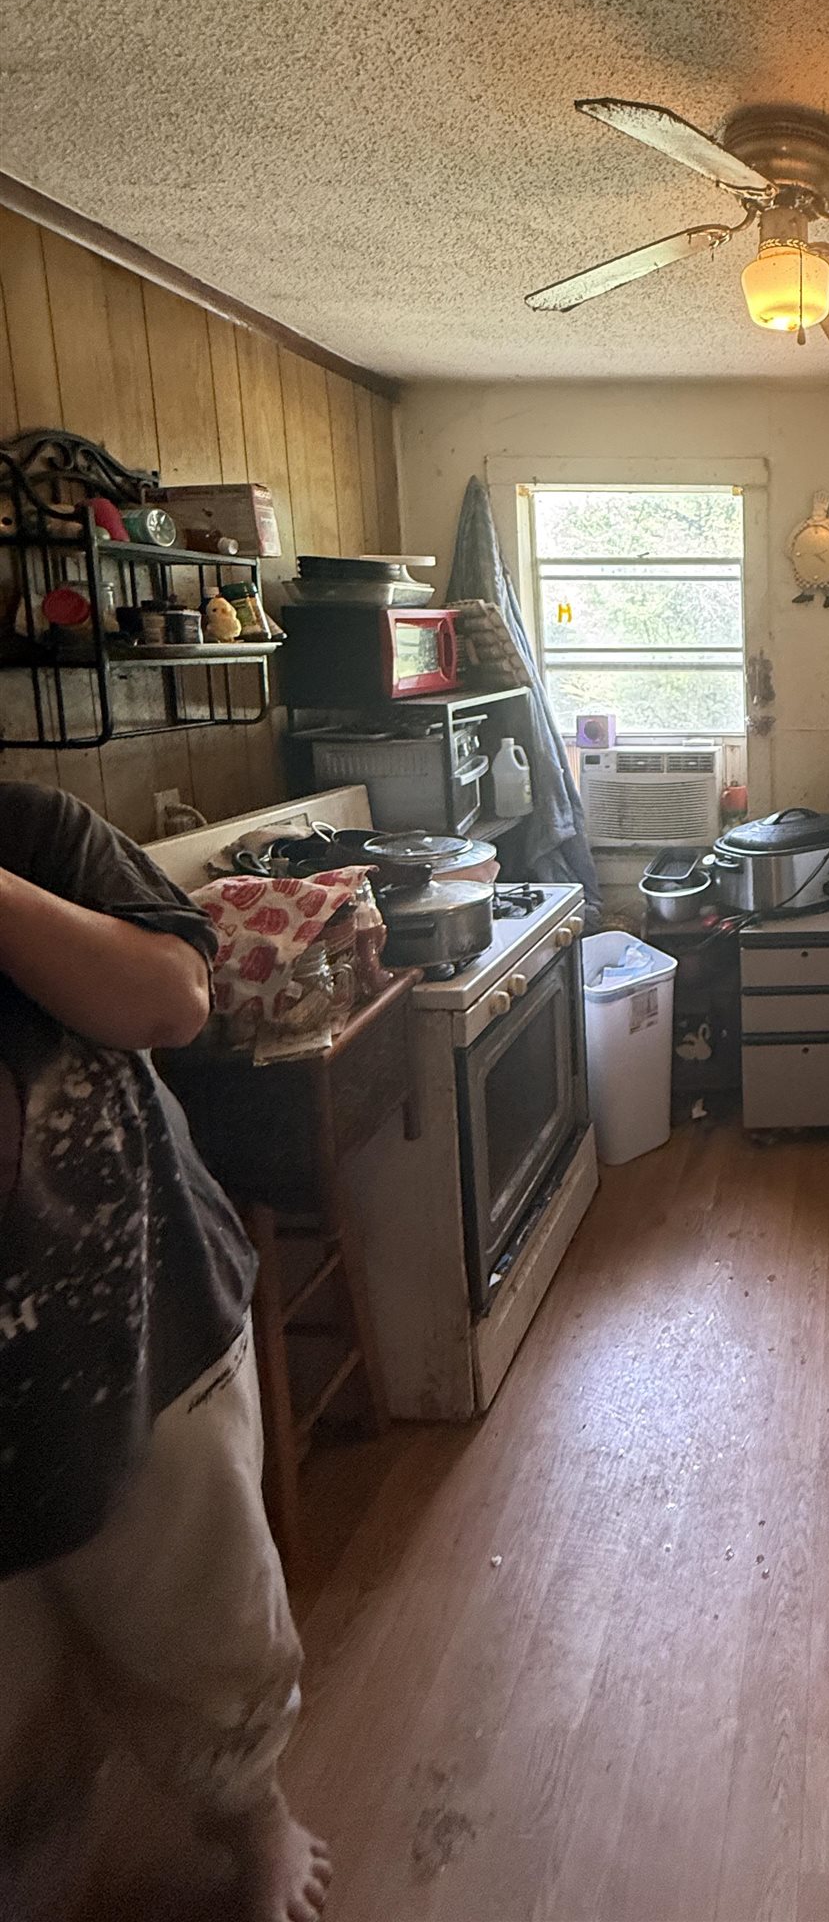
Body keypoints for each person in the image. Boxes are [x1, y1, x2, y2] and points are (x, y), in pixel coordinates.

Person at [0, 781, 330, 1921]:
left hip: (154, 1328)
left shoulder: (35, 836)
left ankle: (252, 1816)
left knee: (205, 1623)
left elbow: (174, 998)